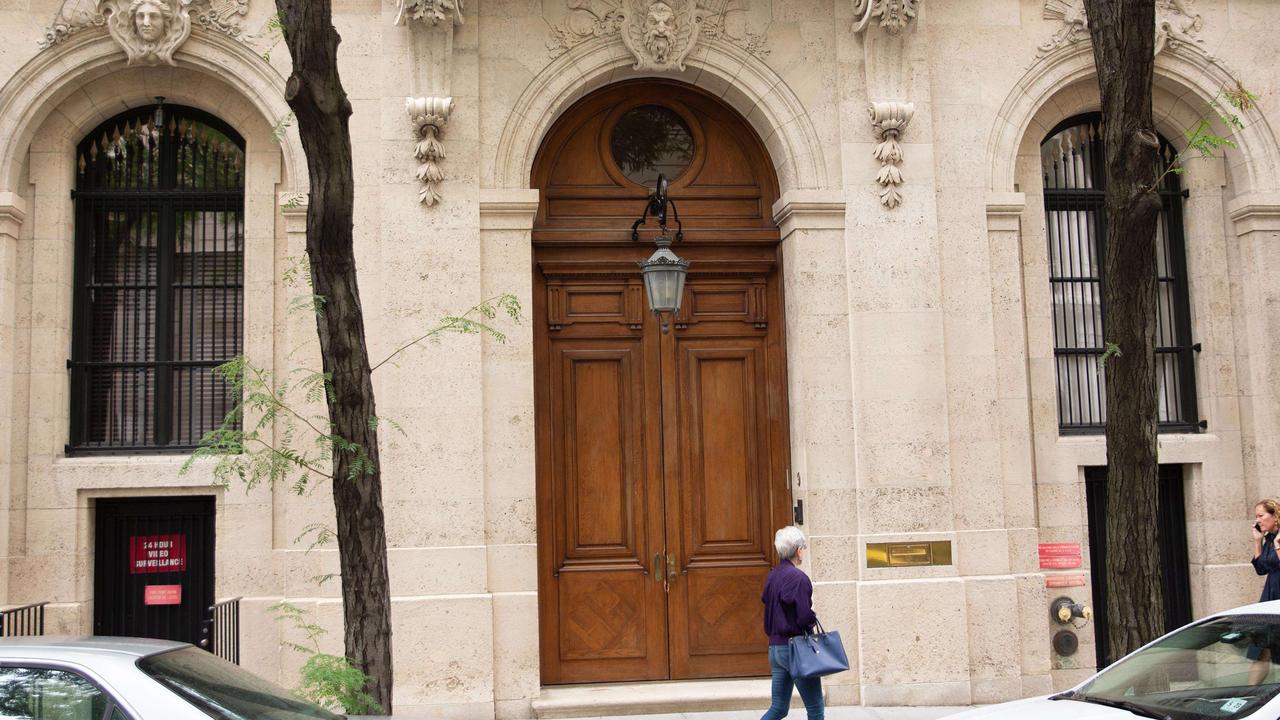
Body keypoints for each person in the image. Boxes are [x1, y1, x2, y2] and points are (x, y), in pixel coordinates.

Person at [760, 526, 823, 720]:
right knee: (815, 709)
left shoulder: (773, 575)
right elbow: (804, 617)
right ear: (798, 549)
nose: (804, 550)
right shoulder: (799, 578)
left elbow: (765, 600)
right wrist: (813, 619)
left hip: (776, 649)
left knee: (778, 708)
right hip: (796, 651)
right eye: (803, 546)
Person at [1248, 499, 1280, 683]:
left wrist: (1277, 544)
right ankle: (1248, 695)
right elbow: (1261, 569)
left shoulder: (1276, 539)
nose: (1257, 520)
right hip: (1269, 598)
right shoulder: (1268, 538)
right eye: (1256, 517)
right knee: (1260, 650)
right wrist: (1258, 541)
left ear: (1275, 516)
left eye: (1261, 515)